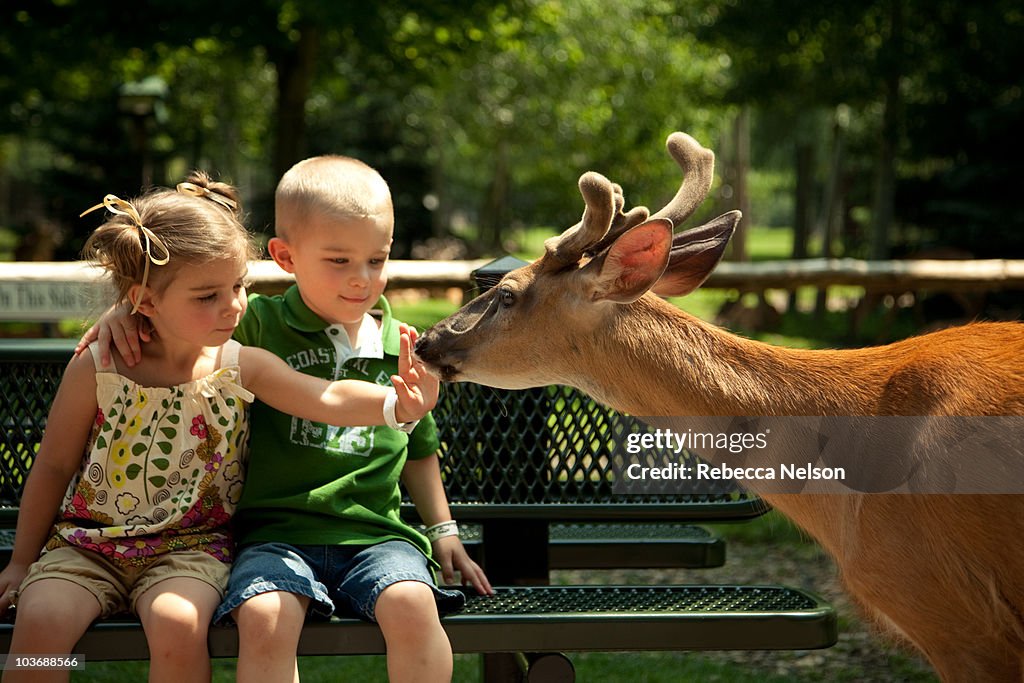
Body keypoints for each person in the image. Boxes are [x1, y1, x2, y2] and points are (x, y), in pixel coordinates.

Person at [0, 173, 439, 683]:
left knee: (178, 623)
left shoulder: (240, 362)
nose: (232, 306)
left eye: (238, 287)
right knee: (41, 624)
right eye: (208, 295)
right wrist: (19, 562)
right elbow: (53, 465)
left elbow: (325, 396)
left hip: (190, 549)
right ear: (144, 301)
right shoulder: (99, 366)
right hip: (88, 545)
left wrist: (395, 406)